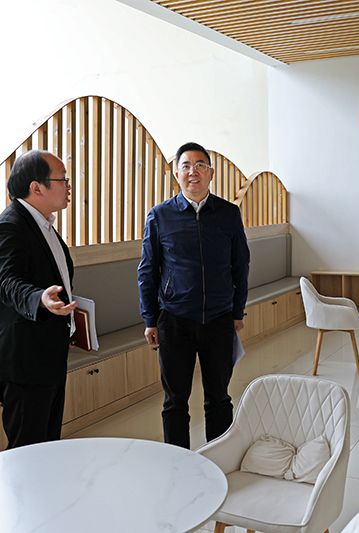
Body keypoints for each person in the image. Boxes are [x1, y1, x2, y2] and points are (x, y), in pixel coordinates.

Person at [138, 141, 250, 449]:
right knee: (175, 401)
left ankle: (220, 458)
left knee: (219, 397)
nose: (193, 172)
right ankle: (179, 464)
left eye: (200, 165)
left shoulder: (228, 213)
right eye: (186, 166)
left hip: (219, 318)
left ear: (211, 173)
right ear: (177, 174)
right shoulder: (160, 216)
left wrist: (237, 311)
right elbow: (147, 270)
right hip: (174, 320)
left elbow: (240, 265)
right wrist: (150, 319)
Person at [0, 149, 76, 449]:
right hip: (24, 363)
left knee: (48, 447)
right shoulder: (8, 227)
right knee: (26, 453)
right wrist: (40, 299)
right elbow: (8, 283)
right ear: (36, 187)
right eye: (62, 180)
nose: (68, 186)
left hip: (50, 354)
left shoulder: (44, 224)